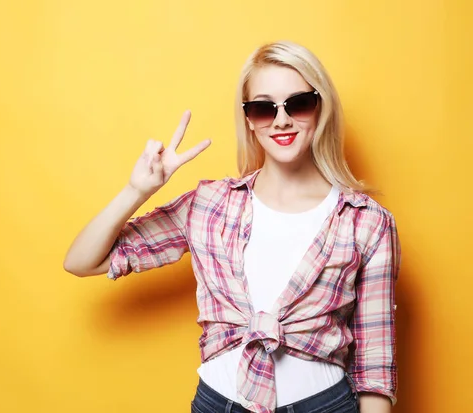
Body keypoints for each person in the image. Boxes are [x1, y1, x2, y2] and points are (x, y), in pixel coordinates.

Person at [64, 40, 400, 413]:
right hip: (218, 404)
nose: (281, 120)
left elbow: (375, 367)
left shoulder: (366, 222)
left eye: (299, 103)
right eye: (263, 108)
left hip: (322, 405)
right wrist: (135, 191)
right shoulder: (210, 206)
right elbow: (82, 261)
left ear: (321, 109)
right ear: (248, 119)